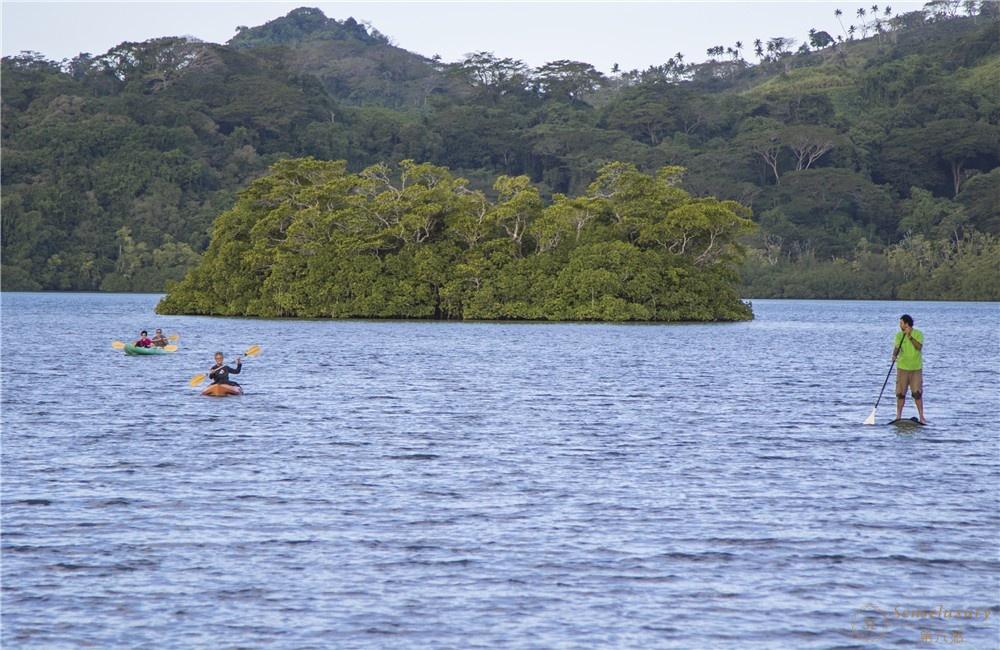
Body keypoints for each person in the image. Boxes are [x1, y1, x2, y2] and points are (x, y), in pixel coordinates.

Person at [893, 314, 926, 424]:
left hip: (916, 368)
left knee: (917, 393)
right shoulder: (899, 335)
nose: (900, 325)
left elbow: (919, 347)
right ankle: (898, 416)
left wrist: (909, 336)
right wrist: (894, 355)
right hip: (902, 368)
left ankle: (921, 416)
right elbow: (897, 347)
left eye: (901, 323)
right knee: (900, 394)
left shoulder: (918, 334)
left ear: (907, 324)